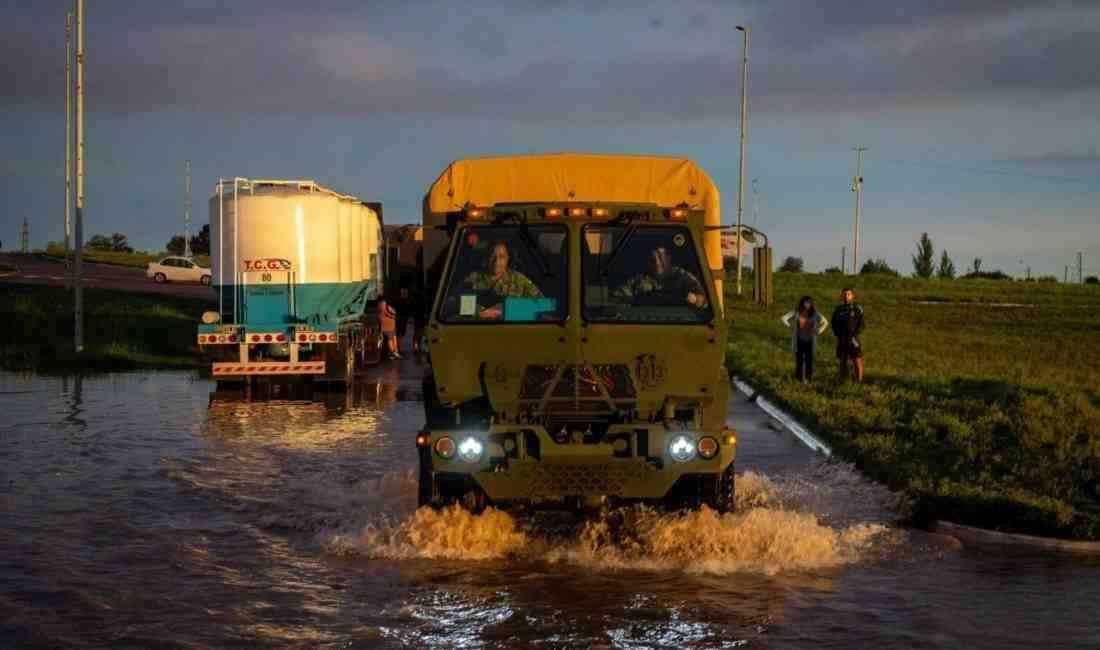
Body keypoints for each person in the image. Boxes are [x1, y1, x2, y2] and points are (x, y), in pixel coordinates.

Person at [464, 242, 542, 319]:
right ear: (487, 257)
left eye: (501, 257)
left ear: (508, 259)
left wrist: (507, 309)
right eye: (492, 256)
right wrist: (484, 313)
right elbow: (462, 309)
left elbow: (542, 304)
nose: (496, 261)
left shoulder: (518, 279)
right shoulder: (473, 278)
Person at [613, 245, 707, 307]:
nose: (657, 262)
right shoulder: (639, 280)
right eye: (653, 259)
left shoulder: (682, 276)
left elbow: (705, 300)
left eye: (660, 256)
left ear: (669, 258)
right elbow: (618, 297)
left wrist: (695, 299)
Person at [780, 296, 829, 382]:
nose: (807, 305)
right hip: (798, 340)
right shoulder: (796, 312)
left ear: (811, 304)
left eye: (809, 303)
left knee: (809, 361)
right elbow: (784, 318)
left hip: (810, 341)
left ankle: (808, 379)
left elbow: (825, 322)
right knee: (799, 361)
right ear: (802, 303)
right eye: (805, 302)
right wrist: (791, 326)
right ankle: (798, 378)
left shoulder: (815, 313)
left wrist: (818, 331)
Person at [831, 287, 865, 382]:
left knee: (857, 360)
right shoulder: (838, 309)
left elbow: (862, 324)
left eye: (848, 294)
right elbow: (833, 323)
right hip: (842, 338)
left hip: (853, 338)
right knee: (842, 361)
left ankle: (859, 382)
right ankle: (843, 381)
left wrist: (854, 334)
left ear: (852, 295)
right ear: (842, 296)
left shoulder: (857, 307)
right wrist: (838, 334)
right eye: (844, 294)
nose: (846, 296)